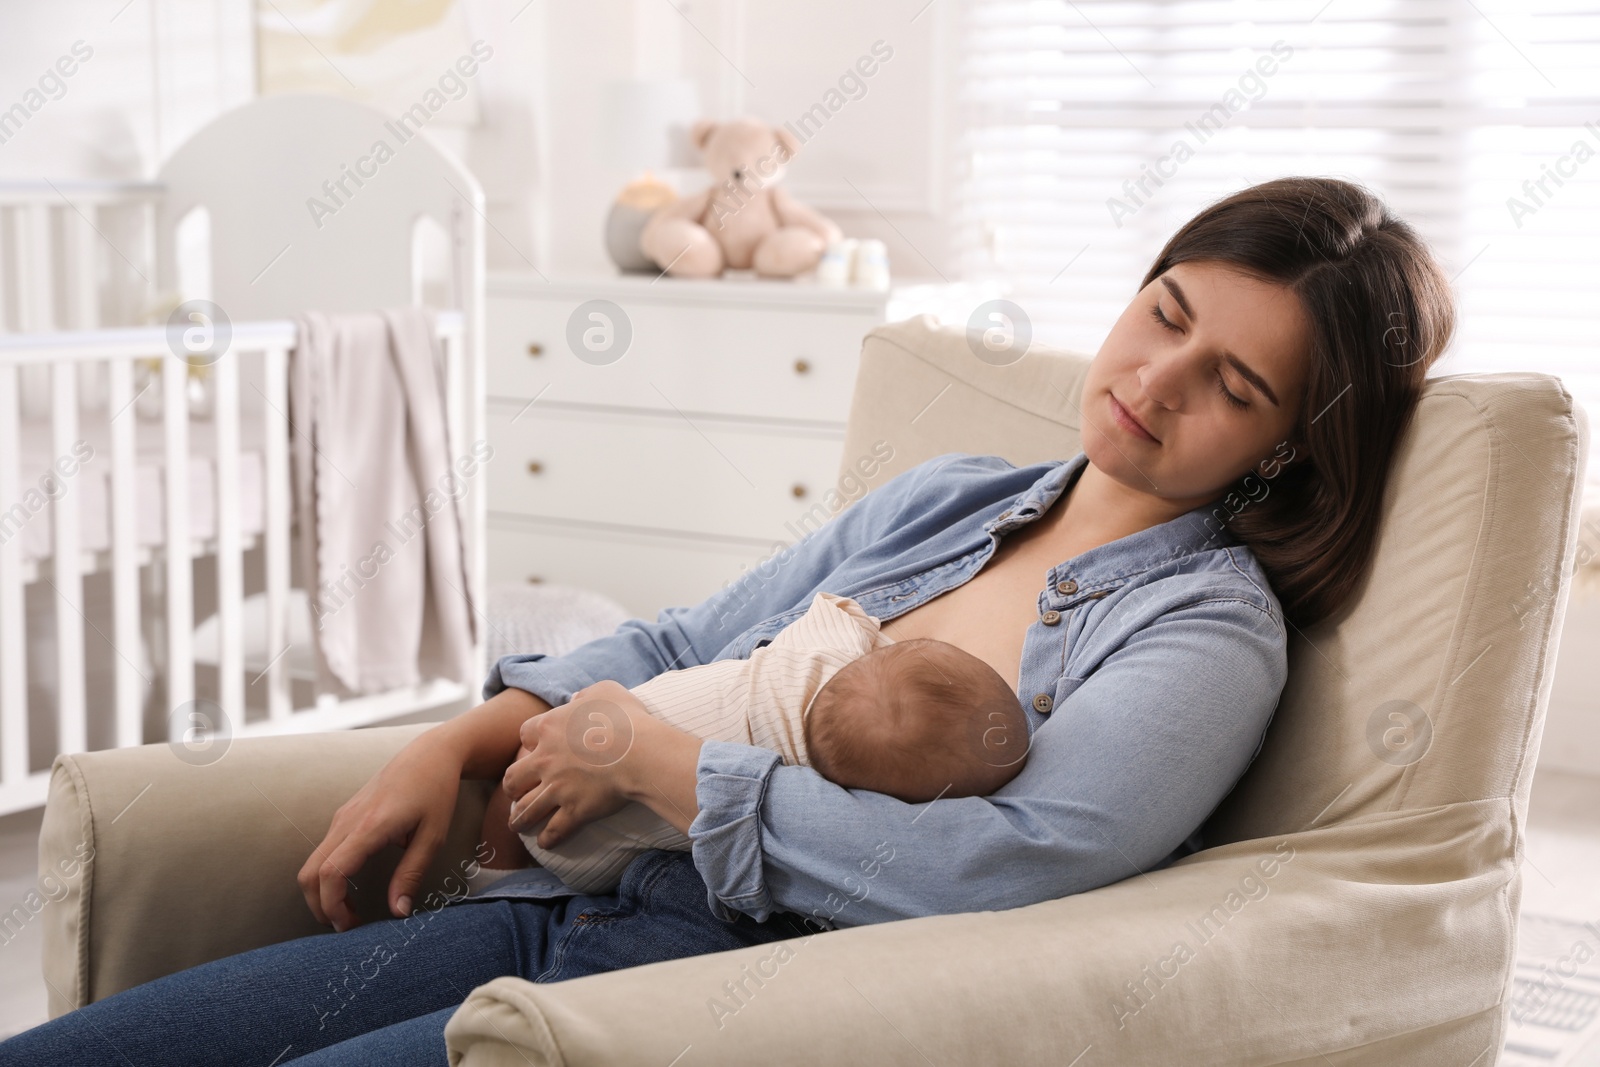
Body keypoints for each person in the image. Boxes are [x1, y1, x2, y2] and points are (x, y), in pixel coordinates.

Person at [0, 176, 1457, 1065]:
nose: (1160, 376)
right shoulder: (951, 497)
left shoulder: (1208, 634)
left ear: (1282, 448)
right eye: (1167, 310)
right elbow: (686, 635)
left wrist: (655, 762)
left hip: (719, 986)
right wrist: (456, 736)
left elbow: (1001, 872)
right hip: (549, 900)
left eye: (1237, 385)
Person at [470, 591, 1029, 897]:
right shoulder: (792, 776)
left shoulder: (821, 652)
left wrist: (885, 642)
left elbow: (836, 605)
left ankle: (485, 882)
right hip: (579, 855)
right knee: (586, 849)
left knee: (515, 796)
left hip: (581, 730)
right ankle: (492, 886)